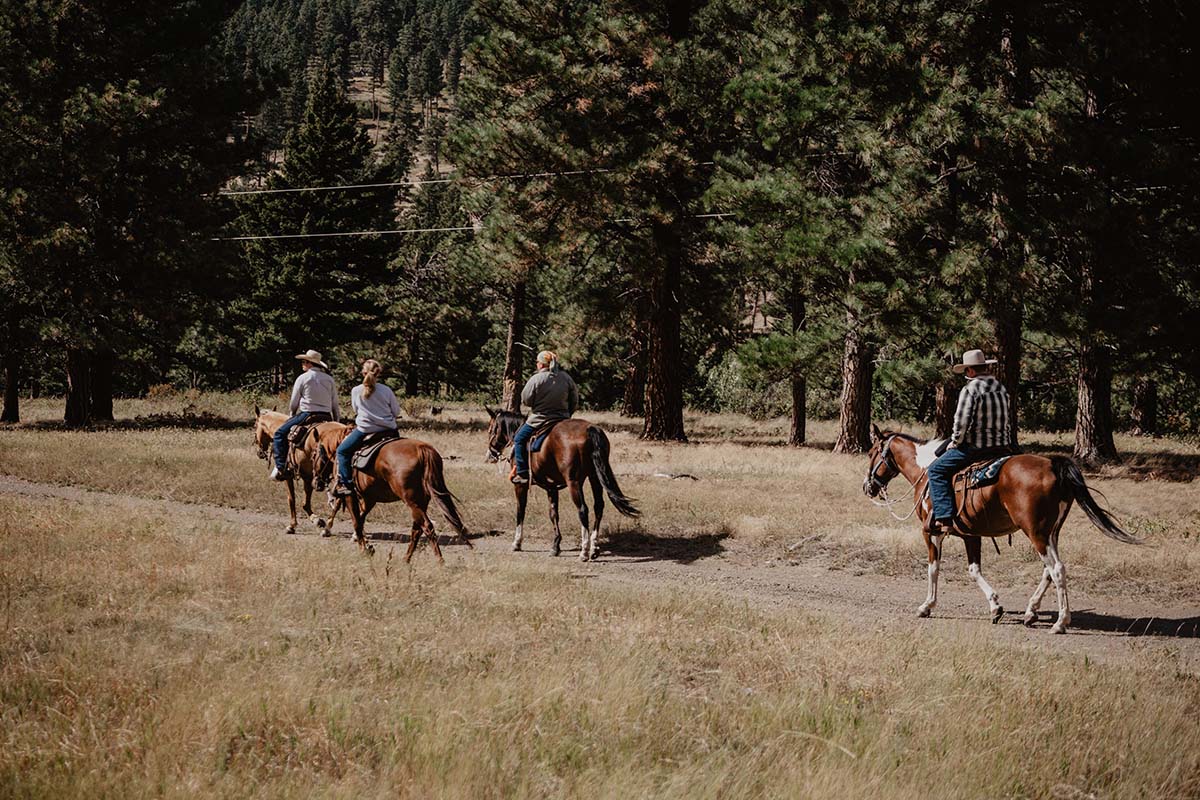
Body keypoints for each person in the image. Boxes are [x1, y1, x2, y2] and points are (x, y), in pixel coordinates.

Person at [927, 349, 1013, 535]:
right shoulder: (1000, 387)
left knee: (936, 470)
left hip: (976, 448)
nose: (967, 374)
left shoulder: (970, 389)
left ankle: (944, 518)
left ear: (971, 371)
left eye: (967, 371)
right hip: (1001, 447)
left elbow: (961, 423)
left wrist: (955, 443)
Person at [334, 358, 400, 497]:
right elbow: (396, 411)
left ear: (363, 372)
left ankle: (346, 484)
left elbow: (356, 409)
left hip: (365, 430)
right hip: (389, 430)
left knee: (342, 451)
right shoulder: (386, 390)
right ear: (378, 373)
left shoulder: (356, 390)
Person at [271, 349, 340, 481]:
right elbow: (335, 403)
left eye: (304, 362)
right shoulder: (329, 379)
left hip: (307, 414)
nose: (302, 364)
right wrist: (336, 420)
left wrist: (292, 415)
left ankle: (281, 468)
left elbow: (294, 402)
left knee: (279, 434)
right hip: (326, 416)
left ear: (309, 363)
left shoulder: (303, 378)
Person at [511, 350, 579, 484]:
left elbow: (526, 400)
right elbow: (575, 400)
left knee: (519, 439)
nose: (537, 364)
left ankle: (522, 473)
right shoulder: (566, 378)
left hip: (539, 419)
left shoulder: (536, 379)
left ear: (541, 365)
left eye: (537, 362)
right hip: (562, 418)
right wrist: (568, 414)